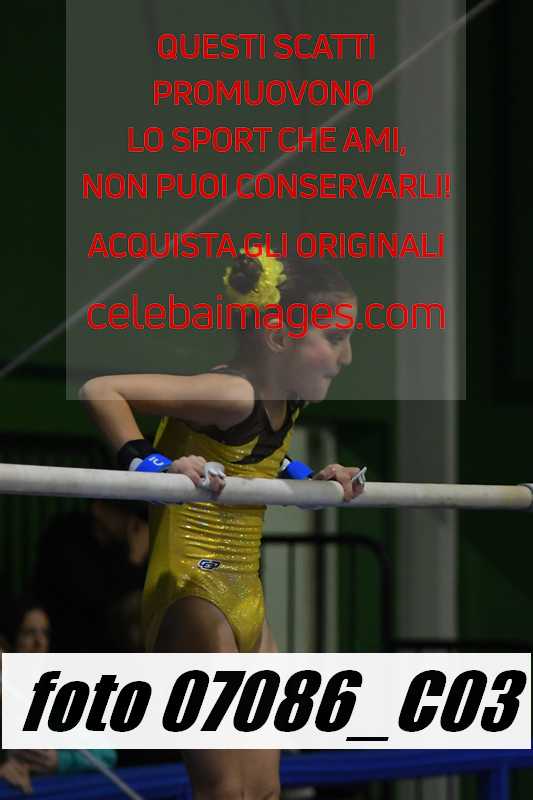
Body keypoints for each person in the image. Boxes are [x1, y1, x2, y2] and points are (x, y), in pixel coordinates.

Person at [79, 253, 365, 800]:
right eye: (334, 338)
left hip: (244, 595)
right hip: (193, 591)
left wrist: (311, 478)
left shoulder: (288, 400)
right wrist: (151, 466)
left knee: (265, 789)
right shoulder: (232, 393)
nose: (347, 356)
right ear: (278, 335)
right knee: (226, 791)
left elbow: (255, 455)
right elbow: (101, 390)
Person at [32, 499, 148, 651]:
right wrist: (134, 561)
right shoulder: (66, 540)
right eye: (122, 512)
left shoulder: (119, 546)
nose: (130, 521)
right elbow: (97, 606)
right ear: (98, 508)